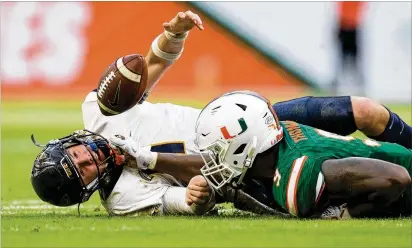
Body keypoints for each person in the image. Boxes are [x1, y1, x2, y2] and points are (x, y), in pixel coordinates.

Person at [32, 9, 412, 217]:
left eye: (76, 154)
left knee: (365, 111)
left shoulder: (100, 114)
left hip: (243, 121)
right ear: (88, 188)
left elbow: (148, 66)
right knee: (352, 173)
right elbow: (190, 199)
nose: (88, 158)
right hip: (243, 169)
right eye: (83, 169)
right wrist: (195, 195)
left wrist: (173, 35)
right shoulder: (123, 198)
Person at [193, 90, 412, 219]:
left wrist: (346, 215)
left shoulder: (296, 175)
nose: (214, 160)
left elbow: (397, 177)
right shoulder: (280, 132)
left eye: (217, 151)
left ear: (244, 146)